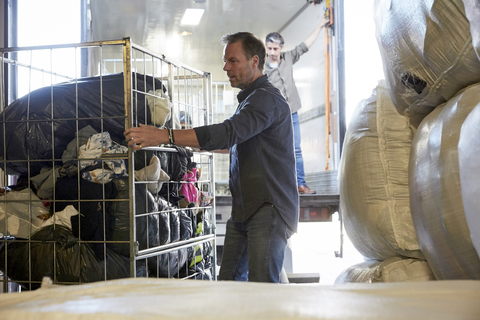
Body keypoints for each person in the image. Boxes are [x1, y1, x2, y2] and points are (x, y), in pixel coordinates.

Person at [124, 32, 299, 283]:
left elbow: (228, 133)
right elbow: (236, 143)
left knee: (263, 288)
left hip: (267, 209)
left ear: (254, 61)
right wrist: (189, 145)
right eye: (225, 61)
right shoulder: (251, 98)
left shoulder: (266, 99)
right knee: (227, 282)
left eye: (233, 61)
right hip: (245, 209)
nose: (226, 67)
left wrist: (164, 135)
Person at [264, 14, 330, 195]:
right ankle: (276, 186)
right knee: (275, 150)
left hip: (291, 112)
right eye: (269, 48)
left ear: (281, 48)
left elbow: (305, 46)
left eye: (275, 49)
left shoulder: (288, 58)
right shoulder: (262, 68)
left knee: (296, 149)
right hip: (274, 116)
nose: (272, 52)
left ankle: (300, 184)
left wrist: (320, 25)